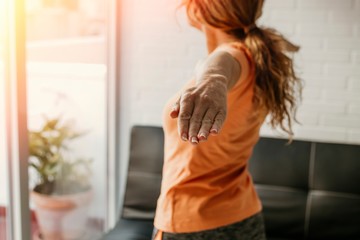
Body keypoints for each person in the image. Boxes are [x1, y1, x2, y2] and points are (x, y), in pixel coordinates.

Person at [152, 0, 302, 239]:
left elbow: (221, 64)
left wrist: (213, 81)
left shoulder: (236, 55)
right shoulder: (257, 55)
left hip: (192, 223)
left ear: (204, 9)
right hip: (243, 216)